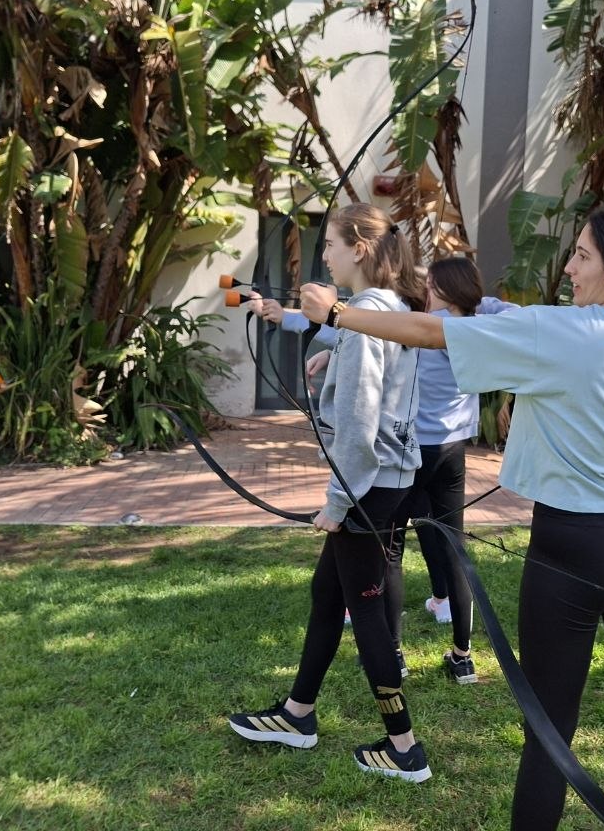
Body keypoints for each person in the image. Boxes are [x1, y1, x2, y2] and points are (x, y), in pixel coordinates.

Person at [300, 203, 604, 831]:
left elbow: (433, 332)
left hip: (574, 542)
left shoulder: (563, 331)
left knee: (549, 729)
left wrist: (338, 315)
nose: (570, 268)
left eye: (583, 256)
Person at [228, 203, 431, 783]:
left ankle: (405, 747)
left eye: (331, 246)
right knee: (328, 593)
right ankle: (298, 714)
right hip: (385, 481)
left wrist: (338, 504)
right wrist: (331, 348)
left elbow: (361, 424)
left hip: (367, 487)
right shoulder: (386, 310)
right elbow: (378, 380)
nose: (325, 257)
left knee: (364, 609)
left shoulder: (366, 316)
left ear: (359, 249)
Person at [268, 257, 517, 685]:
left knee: (392, 552)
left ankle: (395, 651)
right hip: (454, 450)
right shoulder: (473, 327)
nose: (424, 289)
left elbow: (370, 340)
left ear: (442, 289)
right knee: (454, 548)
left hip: (415, 450)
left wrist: (318, 336)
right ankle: (463, 656)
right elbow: (503, 312)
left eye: (431, 284)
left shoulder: (423, 328)